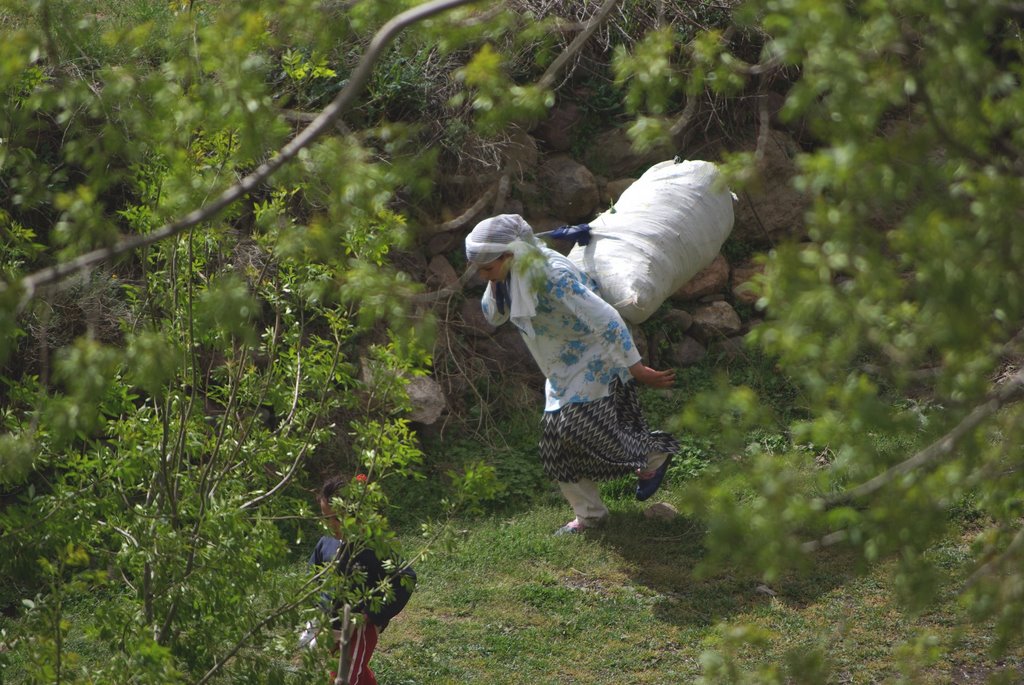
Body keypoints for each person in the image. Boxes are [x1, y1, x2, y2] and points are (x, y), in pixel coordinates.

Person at [465, 213, 679, 535]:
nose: (483, 276)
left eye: (487, 269)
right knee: (555, 445)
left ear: (510, 255)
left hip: (594, 354)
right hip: (560, 365)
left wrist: (635, 367)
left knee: (574, 429)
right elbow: (493, 316)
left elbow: (605, 318)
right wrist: (496, 283)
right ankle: (590, 516)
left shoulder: (552, 274)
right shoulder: (508, 275)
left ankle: (652, 455)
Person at [300, 474, 416, 685]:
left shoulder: (374, 546)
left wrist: (372, 613)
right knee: (356, 674)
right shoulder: (325, 543)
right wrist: (317, 607)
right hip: (331, 625)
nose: (328, 524)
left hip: (359, 628)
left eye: (334, 518)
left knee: (345, 678)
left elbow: (405, 578)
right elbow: (313, 574)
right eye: (324, 518)